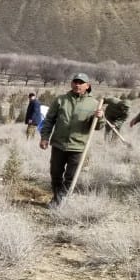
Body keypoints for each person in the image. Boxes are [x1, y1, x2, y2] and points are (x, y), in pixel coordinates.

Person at [39, 73, 103, 207]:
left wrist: (100, 117)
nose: (77, 84)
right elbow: (49, 120)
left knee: (71, 177)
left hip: (78, 146)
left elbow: (97, 127)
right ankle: (57, 197)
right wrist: (45, 137)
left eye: (81, 82)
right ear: (71, 83)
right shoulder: (61, 100)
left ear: (87, 86)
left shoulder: (94, 104)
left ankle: (60, 201)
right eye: (75, 82)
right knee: (55, 174)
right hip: (59, 144)